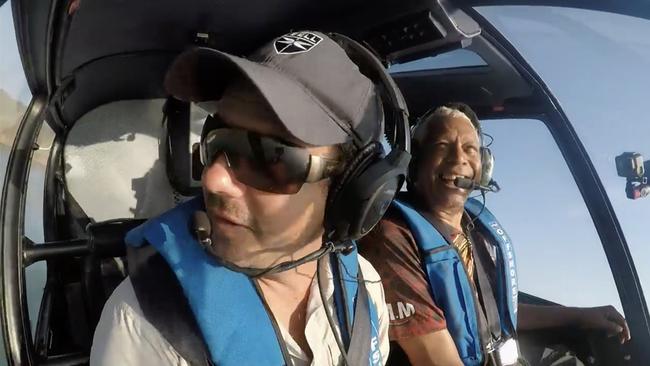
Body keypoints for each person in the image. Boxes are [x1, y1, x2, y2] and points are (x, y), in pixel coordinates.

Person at [90, 31, 395, 366]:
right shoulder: (146, 322)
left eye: (270, 156)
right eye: (216, 141)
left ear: (351, 191)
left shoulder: (363, 290)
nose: (213, 179)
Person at [359, 103, 630, 366]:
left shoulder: (474, 228)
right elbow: (434, 358)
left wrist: (578, 316)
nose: (459, 159)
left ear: (484, 167)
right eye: (442, 147)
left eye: (470, 149)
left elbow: (494, 314)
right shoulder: (392, 237)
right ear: (415, 164)